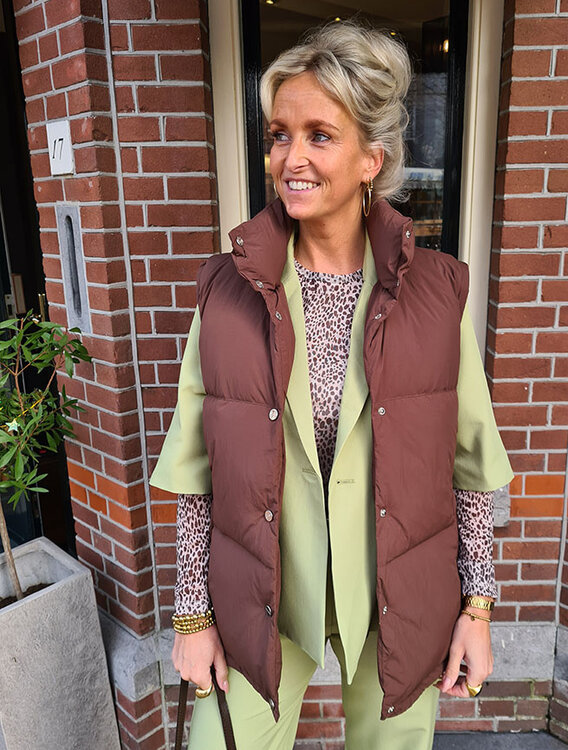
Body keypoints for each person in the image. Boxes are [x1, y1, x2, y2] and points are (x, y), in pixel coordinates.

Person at [150, 20, 513, 750]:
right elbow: (196, 472)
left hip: (396, 591)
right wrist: (192, 618)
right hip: (262, 589)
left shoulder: (436, 293)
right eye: (280, 135)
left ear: (372, 158)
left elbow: (470, 469)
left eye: (320, 135)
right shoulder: (226, 291)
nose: (291, 158)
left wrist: (476, 609)